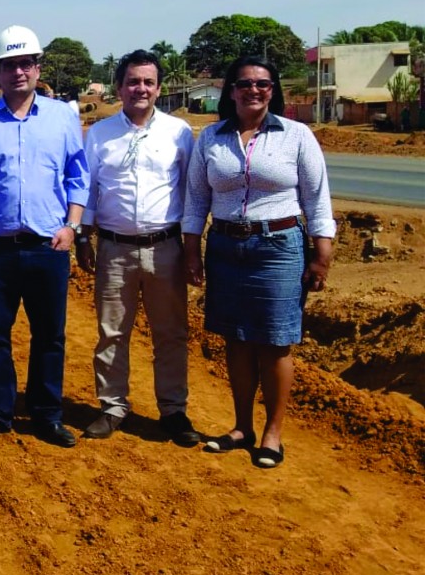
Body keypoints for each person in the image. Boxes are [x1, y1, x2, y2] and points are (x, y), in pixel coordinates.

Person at [183, 56, 335, 469]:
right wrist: (191, 250)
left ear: (273, 90)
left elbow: (316, 197)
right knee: (236, 339)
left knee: (274, 342)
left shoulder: (297, 136)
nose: (254, 90)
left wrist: (322, 251)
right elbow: (196, 199)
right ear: (230, 90)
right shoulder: (211, 138)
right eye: (245, 83)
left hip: (278, 247)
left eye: (263, 84)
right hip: (226, 248)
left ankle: (273, 433)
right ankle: (241, 427)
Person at [0, 24, 88, 450]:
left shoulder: (62, 118)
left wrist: (72, 225)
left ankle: (47, 414)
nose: (18, 72)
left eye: (25, 63)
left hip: (48, 246)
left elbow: (78, 176)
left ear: (37, 66)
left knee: (50, 334)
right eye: (9, 65)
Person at [76, 50, 199, 446]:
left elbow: (191, 192)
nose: (140, 89)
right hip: (114, 249)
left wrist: (192, 246)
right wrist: (83, 235)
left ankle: (173, 410)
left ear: (159, 88)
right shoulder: (99, 134)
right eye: (132, 82)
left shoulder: (179, 133)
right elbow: (89, 189)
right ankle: (112, 406)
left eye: (148, 82)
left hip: (165, 248)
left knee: (171, 333)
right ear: (119, 87)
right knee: (112, 332)